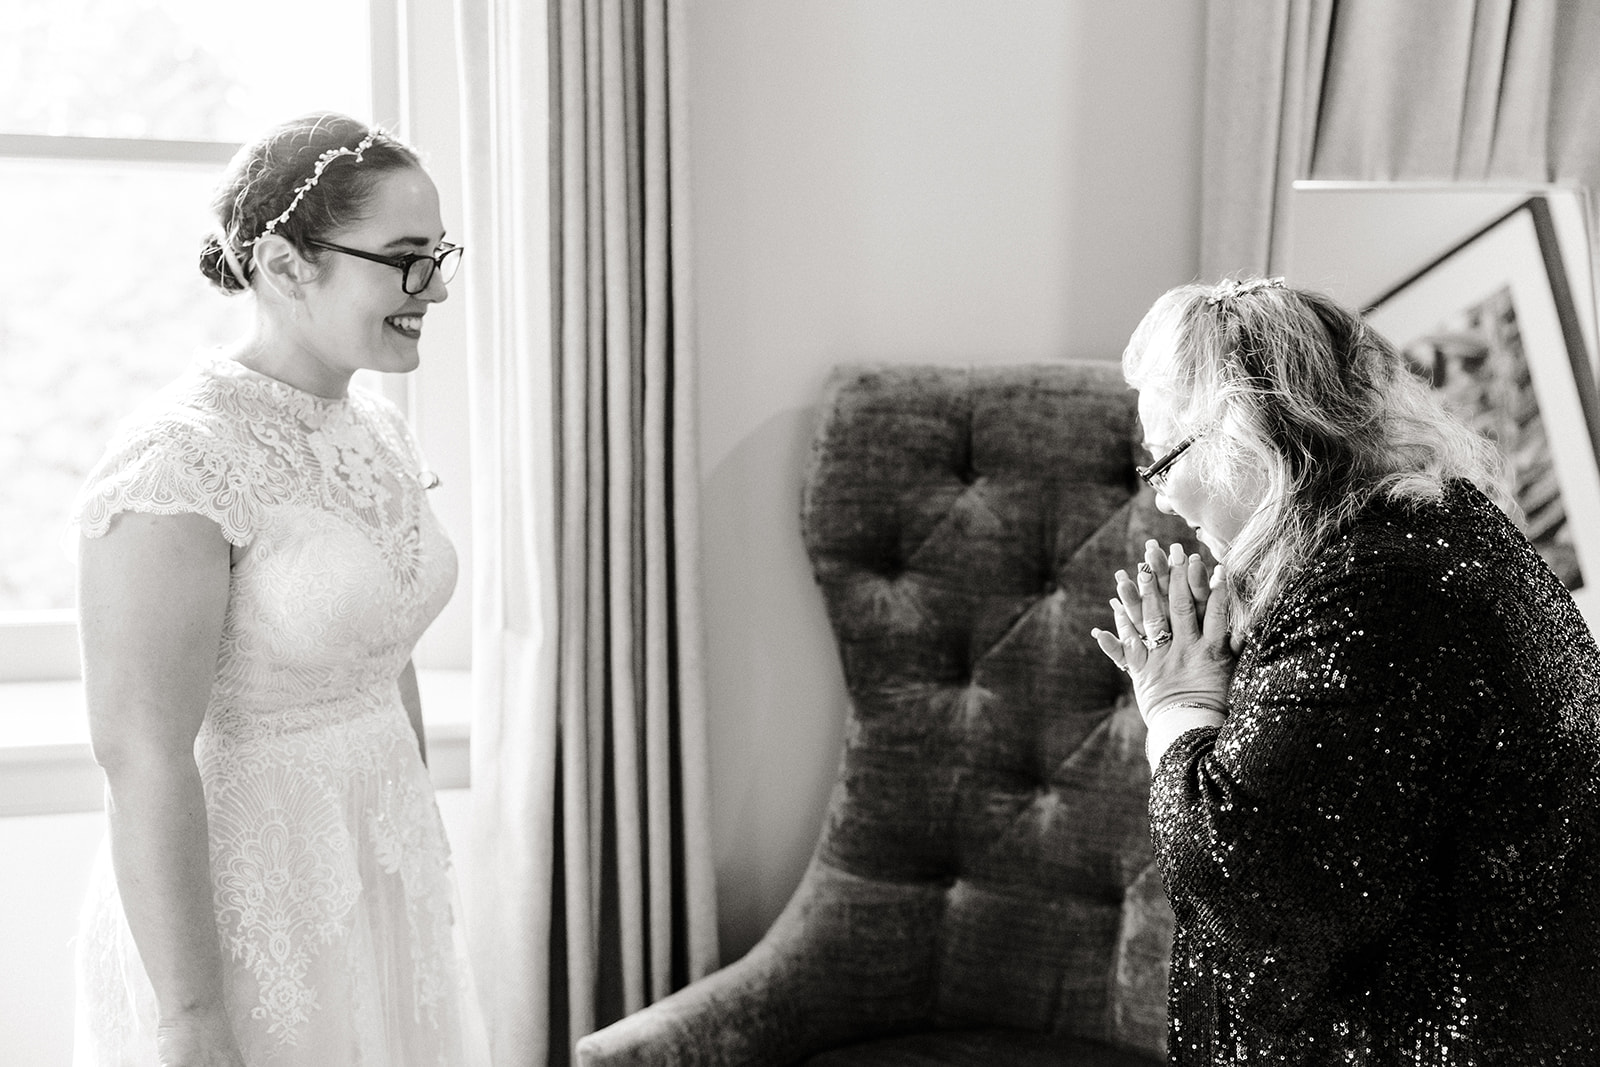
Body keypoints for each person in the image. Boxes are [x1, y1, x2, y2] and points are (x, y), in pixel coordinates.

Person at [1089, 276, 1600, 1064]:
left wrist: (1176, 702)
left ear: (1245, 432)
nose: (1161, 500)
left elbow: (1245, 872)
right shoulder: (1436, 527)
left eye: (1164, 462)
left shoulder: (1378, 588)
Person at [72, 112, 487, 1067]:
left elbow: (385, 656)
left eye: (439, 254)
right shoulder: (178, 460)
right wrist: (191, 1016)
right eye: (406, 257)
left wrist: (419, 851)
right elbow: (141, 753)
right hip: (247, 913)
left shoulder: (377, 430)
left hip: (377, 870)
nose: (436, 286)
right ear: (285, 262)